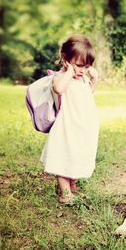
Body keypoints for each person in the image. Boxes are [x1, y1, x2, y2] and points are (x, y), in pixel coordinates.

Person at [40, 34, 99, 204]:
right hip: (67, 126)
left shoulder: (83, 79)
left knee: (76, 155)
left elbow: (88, 93)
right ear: (66, 59)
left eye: (86, 67)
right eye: (79, 66)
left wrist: (94, 79)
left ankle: (71, 188)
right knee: (64, 155)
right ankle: (65, 193)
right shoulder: (60, 77)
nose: (81, 71)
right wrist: (69, 71)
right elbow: (59, 89)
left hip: (82, 126)